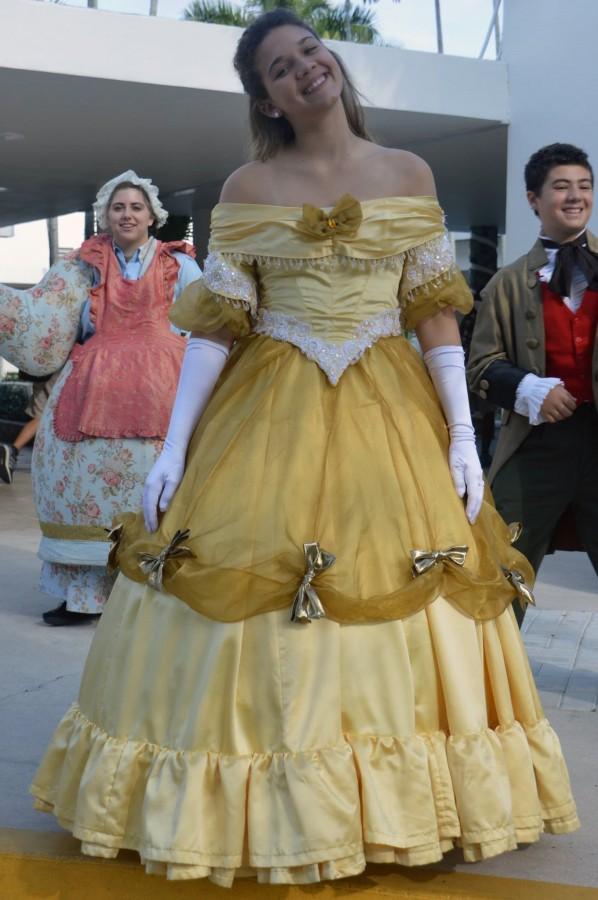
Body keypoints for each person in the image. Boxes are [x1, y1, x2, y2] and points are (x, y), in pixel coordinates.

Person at [30, 13, 578, 885]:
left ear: (332, 63)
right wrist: (175, 445)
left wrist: (464, 436)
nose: (306, 69)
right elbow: (216, 329)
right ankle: (256, 800)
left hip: (385, 406)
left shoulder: (409, 172)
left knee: (398, 575)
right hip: (268, 404)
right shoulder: (249, 185)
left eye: (311, 52)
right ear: (267, 98)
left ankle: (399, 802)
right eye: (283, 68)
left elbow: (434, 310)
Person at [0, 171, 201, 625]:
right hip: (89, 391)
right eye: (117, 207)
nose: (126, 214)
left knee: (157, 492)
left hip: (165, 394)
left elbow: (206, 329)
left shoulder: (181, 266)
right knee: (78, 489)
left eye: (135, 207)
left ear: (153, 216)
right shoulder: (81, 266)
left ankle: (154, 598)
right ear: (105, 216)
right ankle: (83, 596)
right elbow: (43, 319)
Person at [468, 143, 598, 625]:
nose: (575, 196)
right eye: (561, 186)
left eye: (584, 186)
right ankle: (497, 694)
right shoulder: (505, 283)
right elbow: (479, 367)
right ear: (533, 199)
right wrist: (530, 389)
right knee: (504, 569)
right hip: (536, 446)